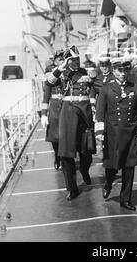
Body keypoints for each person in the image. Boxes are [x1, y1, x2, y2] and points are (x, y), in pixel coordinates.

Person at [95, 56, 137, 211]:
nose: (123, 73)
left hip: (130, 133)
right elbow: (100, 111)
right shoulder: (106, 89)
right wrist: (99, 130)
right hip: (113, 133)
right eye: (119, 70)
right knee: (112, 165)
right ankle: (108, 183)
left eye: (125, 70)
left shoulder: (135, 88)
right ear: (113, 70)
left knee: (129, 167)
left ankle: (125, 199)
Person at [46, 45, 96, 201]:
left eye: (77, 60)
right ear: (67, 61)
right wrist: (61, 67)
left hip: (84, 114)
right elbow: (49, 82)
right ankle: (72, 188)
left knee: (86, 151)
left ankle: (85, 170)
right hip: (67, 115)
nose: (75, 62)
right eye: (72, 60)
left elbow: (96, 87)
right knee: (67, 154)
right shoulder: (61, 74)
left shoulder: (86, 72)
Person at [41, 49, 64, 170]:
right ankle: (57, 156)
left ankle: (66, 158)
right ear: (55, 61)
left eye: (63, 59)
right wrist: (44, 114)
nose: (62, 61)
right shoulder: (51, 73)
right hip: (55, 108)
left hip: (67, 106)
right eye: (60, 59)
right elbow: (46, 96)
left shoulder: (69, 71)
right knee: (55, 137)